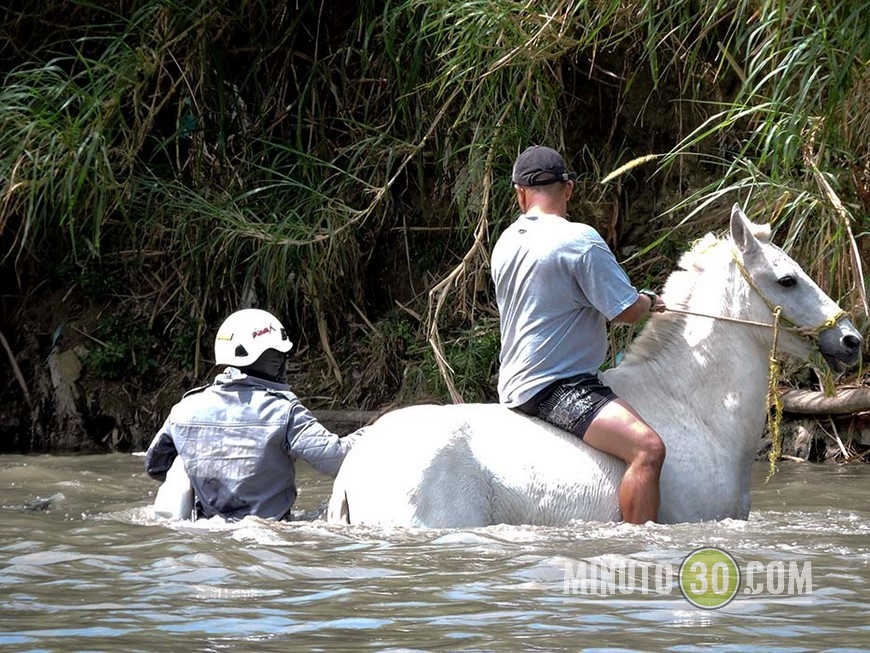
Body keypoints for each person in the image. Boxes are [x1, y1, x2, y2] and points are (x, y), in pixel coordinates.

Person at [490, 145, 667, 524]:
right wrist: (649, 301)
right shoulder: (579, 240)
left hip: (513, 381)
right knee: (648, 449)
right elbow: (625, 312)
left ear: (519, 193)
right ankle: (643, 549)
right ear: (568, 189)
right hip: (558, 387)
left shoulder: (505, 241)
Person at [144, 308, 363, 521]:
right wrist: (373, 432)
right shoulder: (284, 410)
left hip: (206, 535)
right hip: (270, 535)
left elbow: (155, 466)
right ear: (271, 359)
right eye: (279, 356)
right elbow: (337, 459)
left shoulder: (184, 409)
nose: (283, 363)